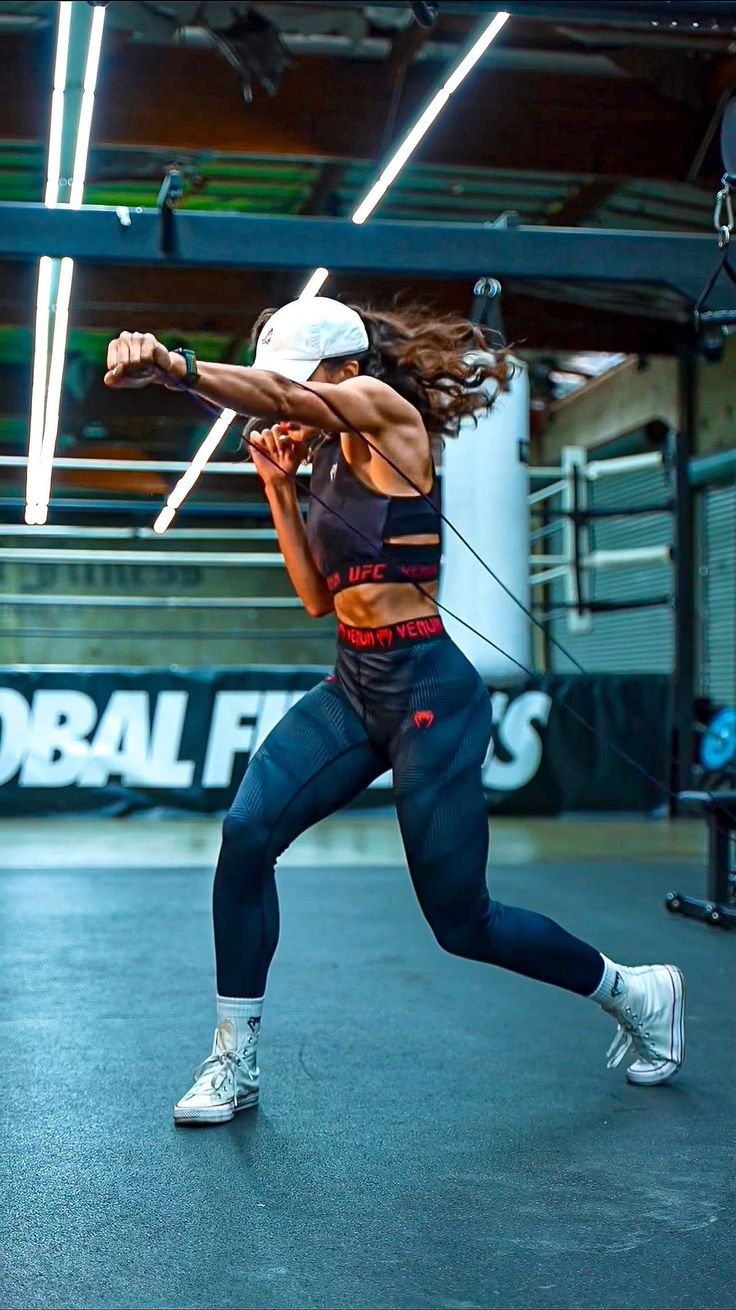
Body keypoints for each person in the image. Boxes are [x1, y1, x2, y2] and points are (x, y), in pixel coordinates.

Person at [103, 297, 685, 1127]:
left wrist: (175, 364)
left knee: (462, 920)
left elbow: (295, 402)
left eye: (303, 384)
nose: (292, 400)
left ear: (344, 370)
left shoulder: (387, 412)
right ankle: (235, 1058)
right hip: (353, 686)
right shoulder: (329, 462)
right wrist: (279, 489)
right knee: (246, 835)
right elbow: (316, 599)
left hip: (427, 690)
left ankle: (635, 991)